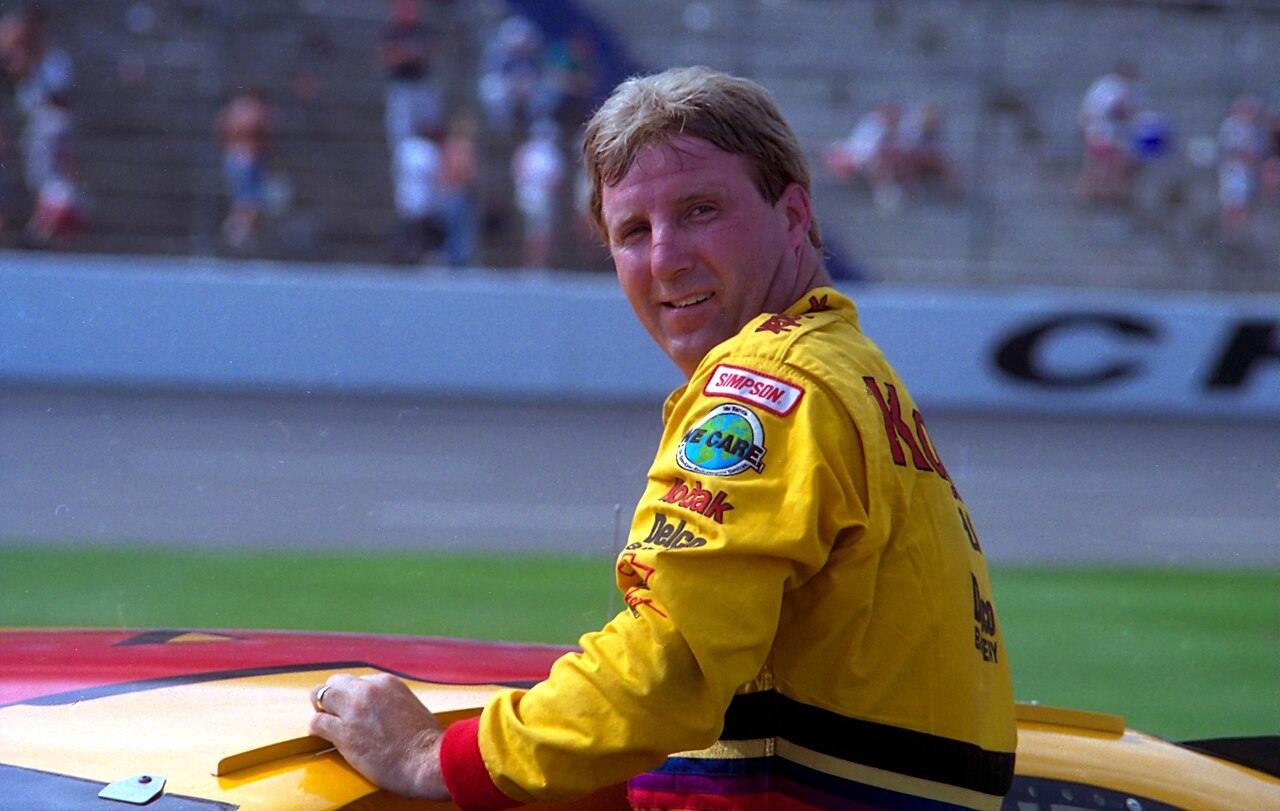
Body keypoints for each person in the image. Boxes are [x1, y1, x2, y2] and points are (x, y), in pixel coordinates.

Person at [309, 66, 1017, 810]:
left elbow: (671, 655)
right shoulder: (851, 371)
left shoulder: (767, 385)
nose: (665, 257)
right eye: (633, 231)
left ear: (795, 215)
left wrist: (434, 755)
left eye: (701, 210)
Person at [216, 86, 273, 251]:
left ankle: (239, 238)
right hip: (245, 158)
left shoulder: (237, 109)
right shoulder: (250, 110)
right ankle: (235, 239)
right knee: (249, 203)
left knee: (246, 202)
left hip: (245, 158)